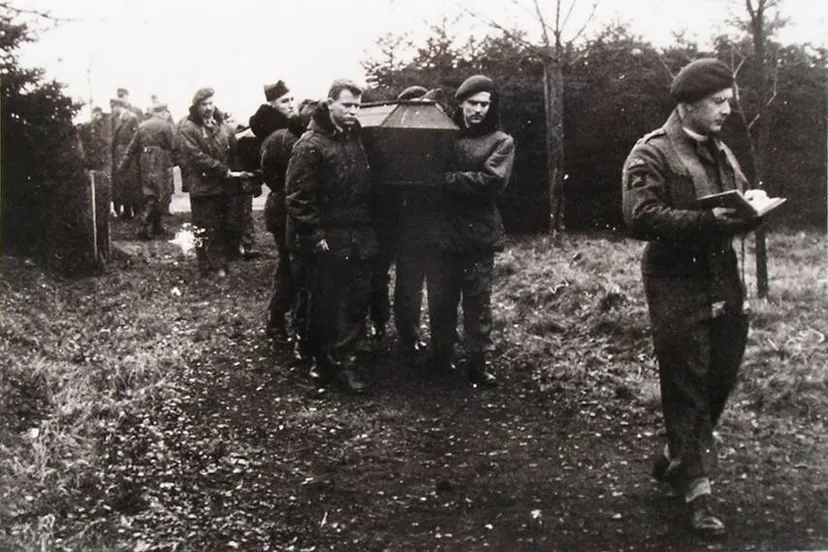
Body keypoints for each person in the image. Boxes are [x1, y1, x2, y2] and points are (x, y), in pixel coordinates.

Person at [622, 58, 762, 536]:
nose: (727, 109)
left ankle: (677, 454)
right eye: (718, 101)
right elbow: (639, 216)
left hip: (723, 278)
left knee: (719, 378)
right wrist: (705, 223)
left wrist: (753, 211)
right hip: (676, 281)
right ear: (688, 104)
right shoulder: (653, 153)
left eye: (729, 101)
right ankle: (699, 493)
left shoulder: (722, 151)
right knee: (686, 381)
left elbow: (738, 197)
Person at [285, 79, 377, 393]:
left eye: (357, 106)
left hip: (359, 234)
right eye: (347, 105)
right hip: (328, 236)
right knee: (322, 302)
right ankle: (319, 361)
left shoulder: (356, 137)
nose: (353, 111)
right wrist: (315, 234)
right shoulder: (309, 144)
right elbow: (298, 197)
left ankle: (345, 361)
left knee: (355, 300)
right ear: (330, 103)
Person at [430, 75, 515, 386]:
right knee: (441, 300)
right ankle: (441, 358)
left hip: (478, 237)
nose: (479, 110)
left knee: (478, 304)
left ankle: (478, 365)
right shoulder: (444, 136)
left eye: (485, 104)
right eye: (473, 103)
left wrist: (446, 181)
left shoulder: (501, 141)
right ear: (461, 104)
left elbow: (492, 182)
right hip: (443, 235)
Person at [388, 85, 447, 362]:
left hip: (439, 223)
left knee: (440, 285)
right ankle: (408, 336)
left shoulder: (443, 131)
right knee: (408, 286)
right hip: (407, 223)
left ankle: (442, 340)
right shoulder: (394, 141)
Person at [175, 87, 251, 277]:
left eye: (211, 103)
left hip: (222, 184)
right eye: (204, 104)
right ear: (196, 106)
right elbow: (195, 156)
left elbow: (232, 148)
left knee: (223, 223)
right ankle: (207, 265)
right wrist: (221, 169)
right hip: (202, 185)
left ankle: (219, 262)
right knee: (204, 225)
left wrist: (236, 170)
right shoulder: (187, 127)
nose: (208, 108)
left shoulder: (221, 124)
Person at [261, 99, 316, 346]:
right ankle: (279, 319)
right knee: (290, 268)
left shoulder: (277, 138)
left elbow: (267, 172)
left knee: (288, 265)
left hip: (279, 207)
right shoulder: (297, 143)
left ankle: (279, 319)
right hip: (286, 211)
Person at [117, 102, 175, 240]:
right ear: (162, 112)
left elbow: (132, 148)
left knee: (149, 191)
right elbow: (172, 145)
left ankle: (157, 227)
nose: (167, 115)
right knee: (157, 193)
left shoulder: (142, 125)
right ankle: (143, 226)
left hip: (144, 160)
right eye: (166, 113)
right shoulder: (165, 125)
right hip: (159, 159)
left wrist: (122, 166)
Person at [110, 97, 141, 219]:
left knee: (131, 183)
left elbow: (136, 137)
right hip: (118, 154)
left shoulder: (132, 118)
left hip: (129, 154)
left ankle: (136, 211)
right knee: (121, 183)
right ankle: (127, 211)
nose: (112, 109)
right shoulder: (115, 119)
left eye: (114, 107)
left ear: (120, 106)